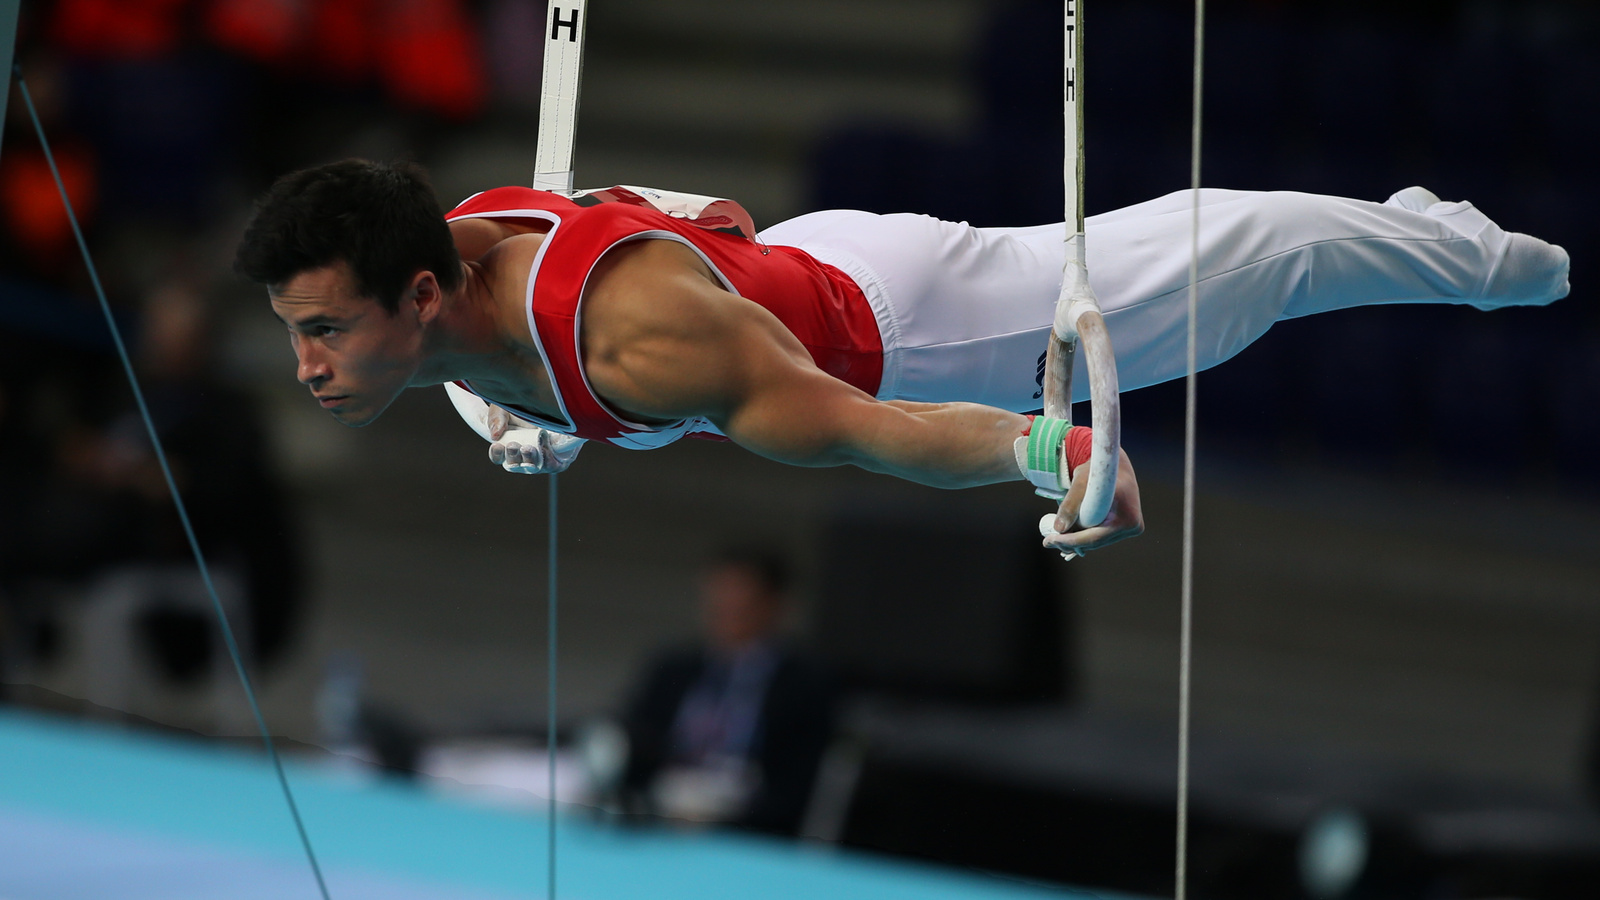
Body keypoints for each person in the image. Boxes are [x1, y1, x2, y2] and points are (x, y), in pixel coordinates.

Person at [233, 161, 1570, 557]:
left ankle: (1453, 249)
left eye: (323, 331)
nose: (305, 364)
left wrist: (1048, 446)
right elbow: (586, 214)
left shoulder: (642, 342)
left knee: (1228, 279)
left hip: (895, 322)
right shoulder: (443, 238)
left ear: (418, 296)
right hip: (769, 263)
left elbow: (861, 428)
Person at [617, 548, 835, 835]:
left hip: (749, 826)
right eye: (719, 596)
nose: (727, 606)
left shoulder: (804, 683)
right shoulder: (672, 667)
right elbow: (633, 736)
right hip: (663, 812)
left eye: (741, 599)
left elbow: (799, 781)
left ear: (773, 603)